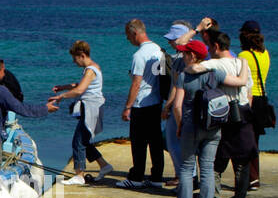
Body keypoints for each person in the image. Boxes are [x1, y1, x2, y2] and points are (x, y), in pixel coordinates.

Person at [182, 29, 255, 198]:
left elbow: (195, 68)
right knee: (242, 163)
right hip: (243, 112)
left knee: (215, 164)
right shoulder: (241, 63)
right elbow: (248, 90)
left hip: (220, 115)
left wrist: (186, 71)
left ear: (215, 46)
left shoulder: (214, 64)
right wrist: (244, 62)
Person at [169, 40, 223, 198]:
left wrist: (179, 125)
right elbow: (239, 81)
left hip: (191, 126)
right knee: (207, 168)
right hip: (213, 125)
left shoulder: (184, 76)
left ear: (193, 56)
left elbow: (177, 106)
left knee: (186, 168)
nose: (182, 57)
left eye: (185, 54)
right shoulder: (215, 74)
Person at [49, 40, 114, 185]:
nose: (74, 62)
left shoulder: (90, 70)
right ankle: (104, 165)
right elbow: (80, 84)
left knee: (77, 141)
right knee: (84, 140)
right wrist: (63, 87)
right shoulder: (94, 67)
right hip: (92, 107)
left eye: (75, 59)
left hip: (90, 108)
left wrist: (60, 97)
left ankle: (79, 175)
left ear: (81, 55)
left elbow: (80, 90)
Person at [116, 19, 165, 189]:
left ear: (134, 33)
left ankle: (136, 176)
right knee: (155, 141)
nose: (127, 39)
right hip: (156, 101)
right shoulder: (159, 50)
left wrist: (127, 107)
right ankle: (157, 176)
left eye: (128, 35)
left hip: (141, 104)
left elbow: (136, 83)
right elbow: (161, 76)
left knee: (138, 142)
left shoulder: (139, 55)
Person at [159, 21, 195, 189]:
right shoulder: (187, 57)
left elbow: (175, 85)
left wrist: (167, 106)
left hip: (178, 105)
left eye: (173, 39)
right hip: (186, 104)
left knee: (173, 140)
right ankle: (184, 174)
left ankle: (183, 175)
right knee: (179, 140)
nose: (170, 42)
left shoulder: (180, 60)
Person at [238, 20, 270, 190]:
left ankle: (249, 177)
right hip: (263, 99)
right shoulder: (265, 54)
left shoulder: (244, 56)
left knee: (245, 140)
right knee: (255, 140)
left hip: (250, 98)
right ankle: (254, 177)